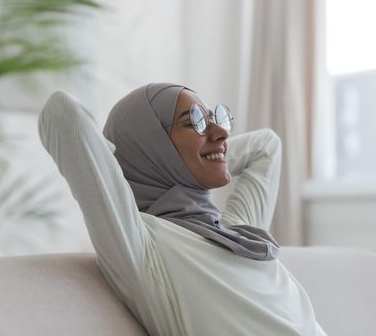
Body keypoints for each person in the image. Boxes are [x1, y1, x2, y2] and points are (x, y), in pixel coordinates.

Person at [38, 83, 327, 336]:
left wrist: (205, 160)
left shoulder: (237, 232)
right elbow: (62, 112)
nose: (221, 132)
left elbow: (266, 146)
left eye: (214, 118)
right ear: (152, 146)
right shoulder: (142, 246)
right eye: (196, 122)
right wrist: (134, 165)